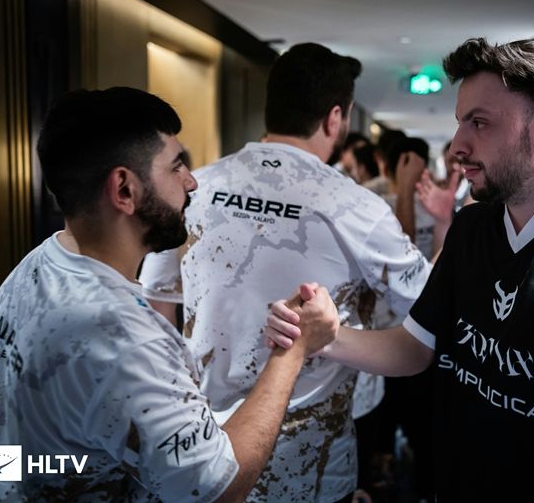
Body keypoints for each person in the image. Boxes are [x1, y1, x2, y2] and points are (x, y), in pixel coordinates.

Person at [267, 38, 534, 500]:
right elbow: (414, 347)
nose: (458, 146)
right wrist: (327, 336)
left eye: (479, 123)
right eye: (461, 122)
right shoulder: (471, 226)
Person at [0, 87, 339, 502]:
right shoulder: (123, 337)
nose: (191, 182)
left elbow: (8, 443)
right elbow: (219, 489)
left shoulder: (28, 272)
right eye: (176, 167)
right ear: (124, 190)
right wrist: (294, 350)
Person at [139, 43, 431, 503]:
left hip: (206, 453)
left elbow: (157, 310)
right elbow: (427, 331)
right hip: (310, 473)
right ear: (335, 118)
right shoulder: (359, 207)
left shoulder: (194, 188)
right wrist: (325, 337)